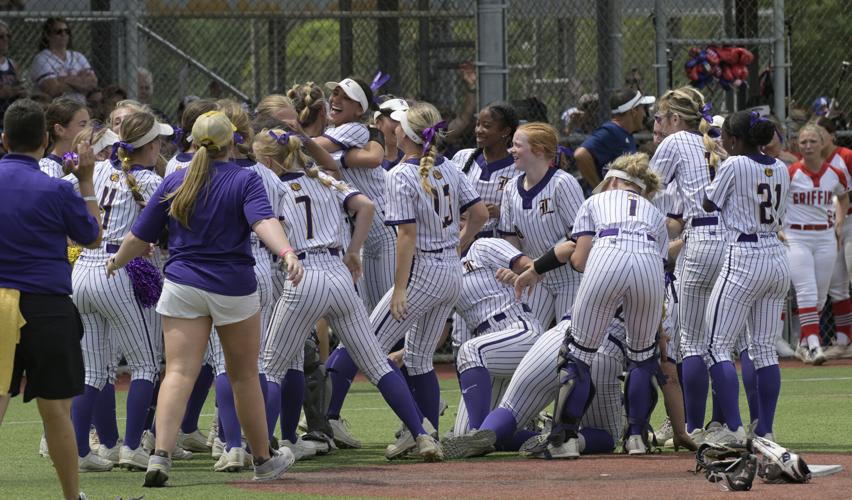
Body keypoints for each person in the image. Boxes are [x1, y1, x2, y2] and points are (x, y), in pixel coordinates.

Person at [106, 110, 304, 486]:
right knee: (244, 375)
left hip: (182, 285)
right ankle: (263, 460)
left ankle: (159, 457)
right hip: (233, 287)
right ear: (233, 141)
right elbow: (264, 222)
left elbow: (139, 237)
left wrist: (116, 260)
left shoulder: (176, 180)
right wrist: (286, 252)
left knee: (178, 372)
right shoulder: (245, 179)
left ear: (193, 143)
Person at [256, 126, 444, 462]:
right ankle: (421, 434)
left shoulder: (272, 183)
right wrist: (354, 251)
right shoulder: (326, 179)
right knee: (376, 364)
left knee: (272, 368)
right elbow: (367, 206)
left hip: (303, 273)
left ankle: (262, 452)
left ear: (270, 161)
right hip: (339, 273)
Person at [322, 102, 488, 443]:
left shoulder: (400, 173)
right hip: (450, 272)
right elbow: (481, 213)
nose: (393, 127)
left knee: (363, 345)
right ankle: (429, 433)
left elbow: (406, 237)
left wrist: (400, 288)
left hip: (422, 272)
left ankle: (410, 430)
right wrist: (460, 241)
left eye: (398, 124)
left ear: (407, 134)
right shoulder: (450, 167)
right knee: (419, 358)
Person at [513, 152, 668, 457]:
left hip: (608, 257)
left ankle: (565, 440)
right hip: (650, 267)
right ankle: (637, 437)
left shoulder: (595, 201)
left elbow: (580, 260)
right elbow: (660, 267)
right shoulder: (655, 213)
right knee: (642, 358)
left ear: (612, 179)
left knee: (578, 354)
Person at [0, 98, 102, 500]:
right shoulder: (57, 187)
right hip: (48, 304)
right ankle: (71, 497)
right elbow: (92, 236)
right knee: (56, 410)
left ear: (4, 139)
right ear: (45, 140)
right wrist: (87, 180)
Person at [65, 111, 169, 471]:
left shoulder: (99, 169)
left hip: (82, 269)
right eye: (158, 141)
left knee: (93, 371)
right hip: (116, 270)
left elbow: (68, 190)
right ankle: (131, 447)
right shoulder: (152, 181)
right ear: (151, 145)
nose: (161, 147)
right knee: (144, 364)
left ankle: (79, 452)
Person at [700, 111, 791, 444]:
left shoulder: (734, 165)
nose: (722, 140)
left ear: (735, 139)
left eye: (726, 136)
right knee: (764, 350)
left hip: (744, 256)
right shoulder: (781, 166)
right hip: (776, 257)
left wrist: (724, 161)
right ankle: (765, 430)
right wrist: (730, 156)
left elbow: (708, 202)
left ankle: (735, 430)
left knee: (715, 347)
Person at [649, 86, 724, 441]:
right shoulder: (720, 137)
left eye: (662, 118)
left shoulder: (676, 142)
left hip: (702, 241)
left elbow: (644, 186)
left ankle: (692, 425)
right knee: (724, 343)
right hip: (735, 243)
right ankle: (725, 424)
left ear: (676, 118)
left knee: (691, 341)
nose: (659, 125)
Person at [497, 122, 585, 329]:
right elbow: (510, 242)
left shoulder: (563, 183)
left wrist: (537, 267)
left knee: (568, 337)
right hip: (533, 276)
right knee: (523, 334)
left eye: (517, 145)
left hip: (570, 277)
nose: (511, 150)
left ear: (538, 151)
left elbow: (578, 240)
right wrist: (515, 269)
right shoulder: (511, 188)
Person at [785, 124, 849, 365]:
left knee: (820, 297)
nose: (808, 146)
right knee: (807, 291)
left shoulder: (835, 172)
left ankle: (803, 344)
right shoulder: (791, 172)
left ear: (822, 144)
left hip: (824, 237)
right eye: (803, 142)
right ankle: (814, 346)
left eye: (813, 141)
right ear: (797, 145)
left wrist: (840, 221)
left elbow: (843, 196)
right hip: (797, 237)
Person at [452, 102, 520, 239]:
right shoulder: (462, 157)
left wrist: (500, 211)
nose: (479, 130)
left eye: (486, 126)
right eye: (478, 124)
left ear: (506, 131)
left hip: (496, 242)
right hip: (458, 237)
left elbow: (526, 210)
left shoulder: (518, 166)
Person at [573, 88, 655, 193]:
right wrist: (601, 190)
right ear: (634, 111)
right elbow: (580, 155)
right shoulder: (611, 131)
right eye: (643, 108)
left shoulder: (624, 133)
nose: (644, 114)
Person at [29, 18, 97, 102]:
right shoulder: (41, 58)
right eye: (59, 32)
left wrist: (62, 79)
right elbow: (53, 89)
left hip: (80, 106)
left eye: (67, 31)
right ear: (47, 35)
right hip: (55, 108)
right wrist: (80, 81)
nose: (63, 34)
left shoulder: (78, 56)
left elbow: (93, 83)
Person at [40, 97, 90, 178]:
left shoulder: (89, 164)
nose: (89, 130)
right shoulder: (46, 169)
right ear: (60, 130)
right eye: (83, 125)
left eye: (89, 124)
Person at [0, 21, 26, 125]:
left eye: (8, 36)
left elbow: (20, 88)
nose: (5, 40)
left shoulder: (12, 64)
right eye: (0, 36)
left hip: (11, 118)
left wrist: (21, 92)